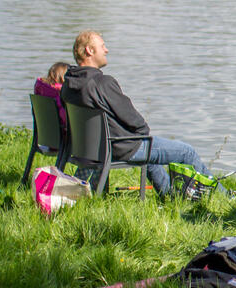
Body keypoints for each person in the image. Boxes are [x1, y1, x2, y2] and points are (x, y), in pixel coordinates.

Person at [60, 30, 210, 196]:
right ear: (90, 50)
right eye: (102, 46)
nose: (106, 50)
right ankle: (223, 195)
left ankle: (169, 195)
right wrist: (141, 134)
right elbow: (133, 119)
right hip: (119, 147)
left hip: (93, 148)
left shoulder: (69, 83)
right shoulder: (102, 83)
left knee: (151, 151)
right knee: (187, 152)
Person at [34, 61, 69, 131]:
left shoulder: (42, 91)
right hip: (62, 134)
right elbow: (65, 118)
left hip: (45, 131)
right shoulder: (59, 95)